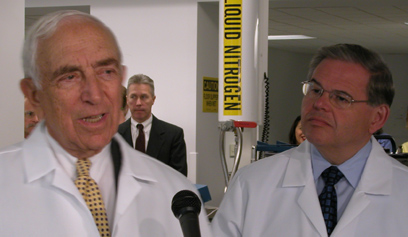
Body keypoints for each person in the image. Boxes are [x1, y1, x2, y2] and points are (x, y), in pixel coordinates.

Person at [0, 10, 211, 236]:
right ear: (33, 94)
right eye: (69, 77)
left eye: (106, 72)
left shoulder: (176, 192)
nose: (95, 95)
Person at [211, 44, 408, 236]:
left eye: (341, 98)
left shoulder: (403, 190)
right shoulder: (252, 183)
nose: (319, 103)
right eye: (315, 90)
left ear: (377, 117)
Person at [118, 74, 187, 176]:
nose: (138, 103)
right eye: (133, 97)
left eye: (144, 97)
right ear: (127, 99)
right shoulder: (114, 134)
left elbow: (179, 178)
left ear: (153, 99)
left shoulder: (173, 135)